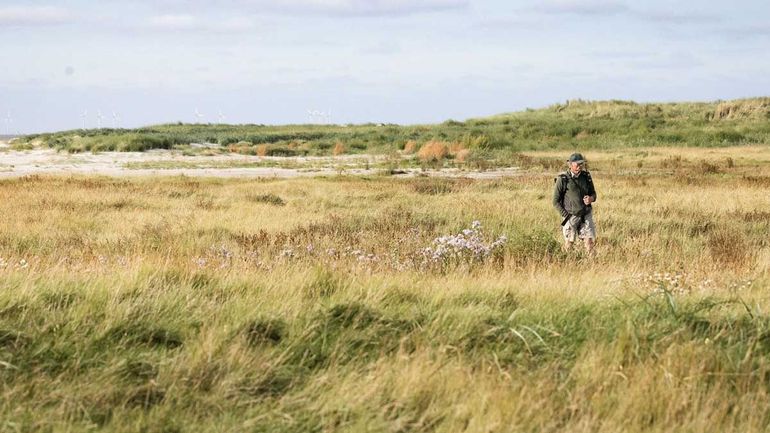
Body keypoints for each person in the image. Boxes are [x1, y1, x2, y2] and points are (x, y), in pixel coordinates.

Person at [553, 153, 597, 255]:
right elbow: (555, 201)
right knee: (569, 243)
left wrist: (591, 198)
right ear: (570, 164)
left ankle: (592, 264)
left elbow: (594, 194)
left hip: (586, 214)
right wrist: (565, 215)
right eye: (577, 164)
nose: (579, 166)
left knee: (589, 241)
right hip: (570, 216)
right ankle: (566, 262)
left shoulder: (586, 176)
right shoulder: (562, 179)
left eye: (581, 164)